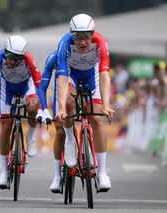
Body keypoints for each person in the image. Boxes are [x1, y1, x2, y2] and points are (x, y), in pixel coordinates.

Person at [55, 14, 115, 192]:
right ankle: (70, 139)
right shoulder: (64, 43)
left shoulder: (101, 42)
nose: (82, 42)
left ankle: (102, 173)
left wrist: (105, 105)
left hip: (92, 74)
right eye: (78, 37)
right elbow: (62, 79)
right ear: (72, 35)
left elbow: (104, 76)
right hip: (71, 74)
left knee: (96, 119)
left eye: (86, 37)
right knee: (68, 104)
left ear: (93, 34)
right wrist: (60, 108)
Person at [0, 35, 41, 189]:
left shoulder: (29, 59)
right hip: (8, 87)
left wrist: (42, 109)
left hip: (27, 85)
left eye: (16, 59)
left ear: (23, 56)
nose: (11, 61)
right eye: (9, 57)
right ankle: (4, 172)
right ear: (5, 51)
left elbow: (39, 84)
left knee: (32, 107)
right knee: (6, 125)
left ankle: (30, 137)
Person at [36, 50, 66, 193]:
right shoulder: (54, 58)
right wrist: (44, 110)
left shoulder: (86, 56)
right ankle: (57, 175)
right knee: (59, 130)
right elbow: (42, 88)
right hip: (61, 93)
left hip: (79, 89)